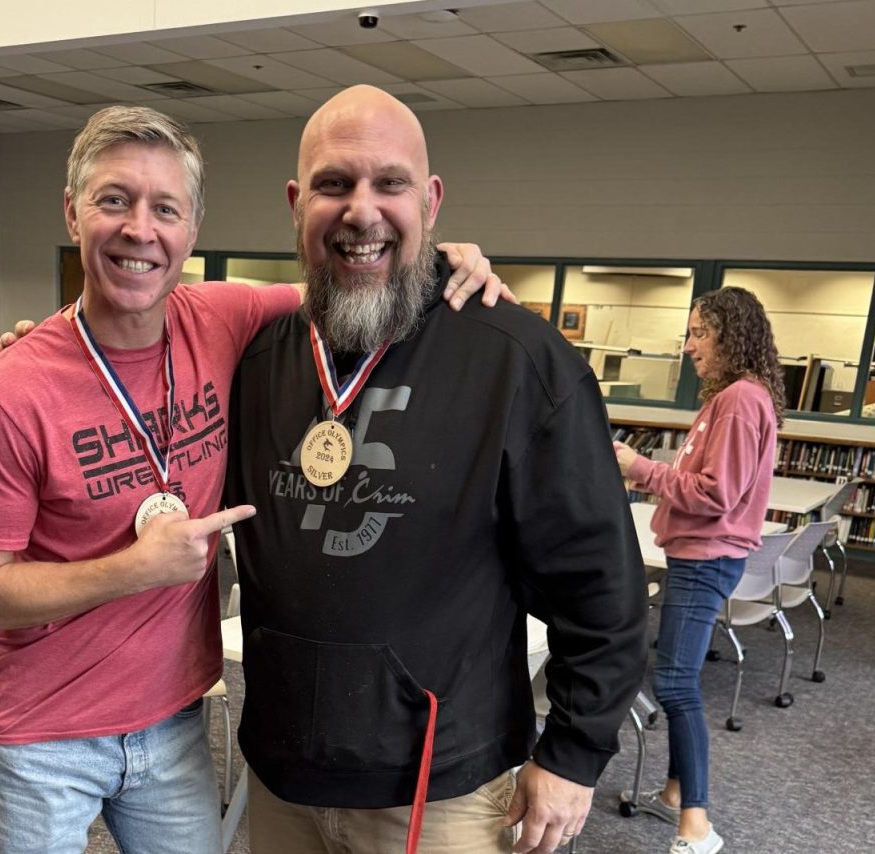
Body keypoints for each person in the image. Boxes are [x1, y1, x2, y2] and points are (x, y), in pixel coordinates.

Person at [0, 104, 503, 854]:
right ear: (73, 212)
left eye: (164, 207)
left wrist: (439, 257)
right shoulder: (5, 396)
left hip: (177, 719)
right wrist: (131, 570)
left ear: (192, 228)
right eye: (114, 200)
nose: (141, 229)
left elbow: (351, 274)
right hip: (43, 737)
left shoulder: (228, 317)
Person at [224, 85, 649, 854]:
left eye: (389, 183)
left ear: (431, 199)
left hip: (441, 785)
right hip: (281, 775)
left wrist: (574, 754)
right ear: (295, 202)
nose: (362, 211)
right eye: (333, 184)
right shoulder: (253, 362)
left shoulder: (517, 362)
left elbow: (603, 586)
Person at [613, 287, 784, 854]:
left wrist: (642, 468)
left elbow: (716, 495)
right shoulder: (734, 398)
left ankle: (698, 825)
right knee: (676, 678)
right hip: (702, 554)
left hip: (706, 558)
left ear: (729, 336)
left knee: (676, 684)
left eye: (698, 334)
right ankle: (672, 793)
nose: (689, 347)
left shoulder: (739, 400)